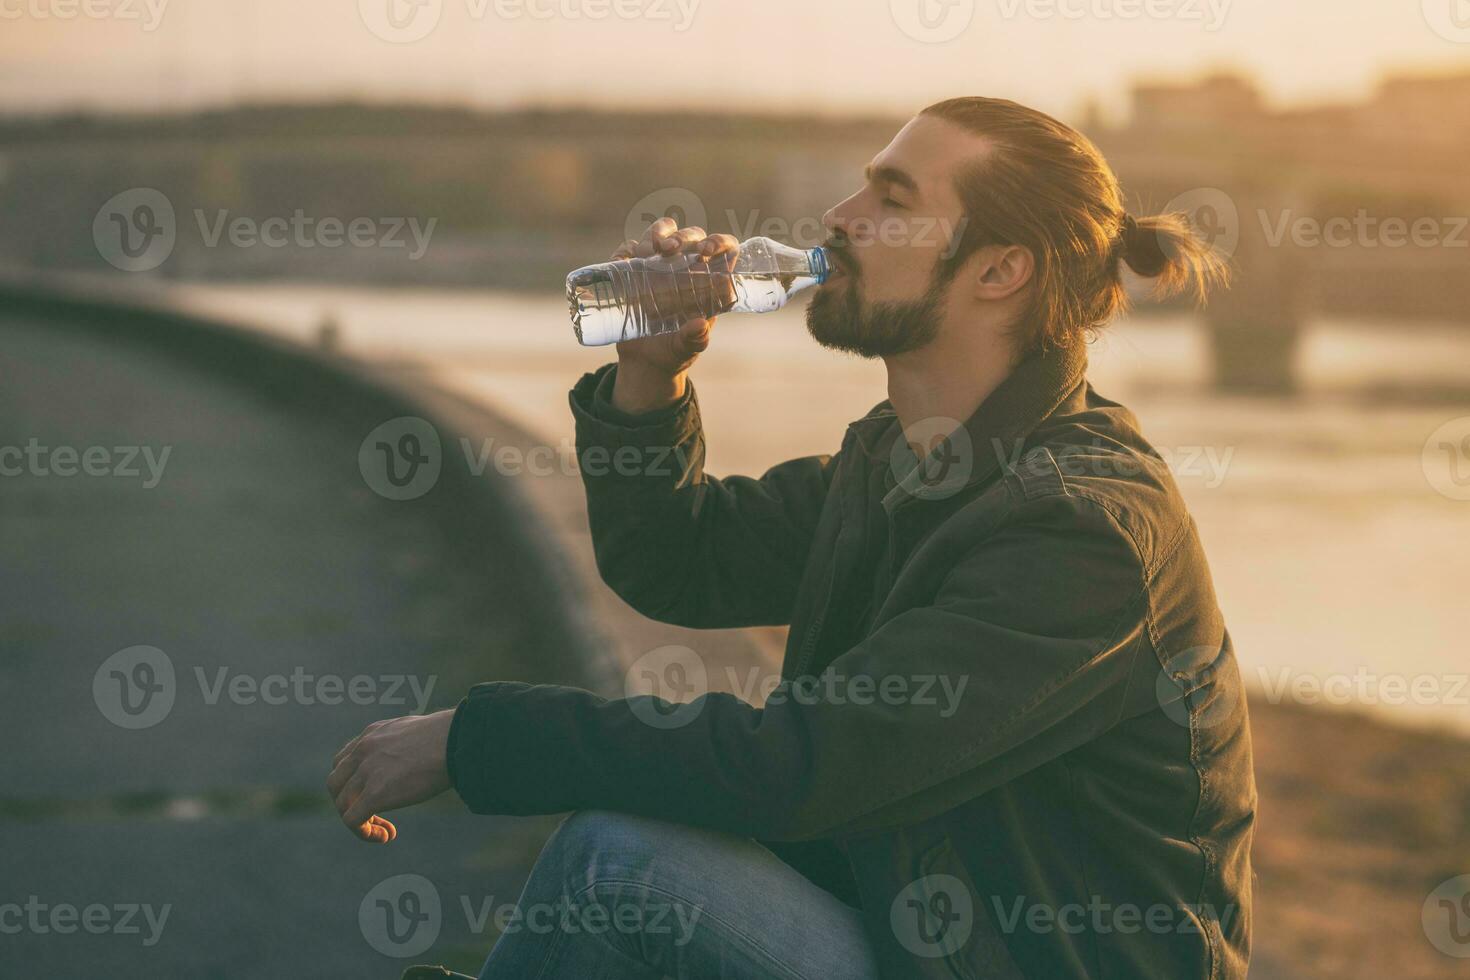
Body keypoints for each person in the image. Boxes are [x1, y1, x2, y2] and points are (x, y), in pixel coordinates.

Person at [328, 96, 1256, 980]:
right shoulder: (908, 462)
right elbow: (680, 562)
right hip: (924, 939)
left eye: (892, 199)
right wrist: (650, 375)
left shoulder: (1081, 527)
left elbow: (810, 764)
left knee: (622, 867)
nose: (841, 216)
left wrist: (476, 741)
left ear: (998, 270)